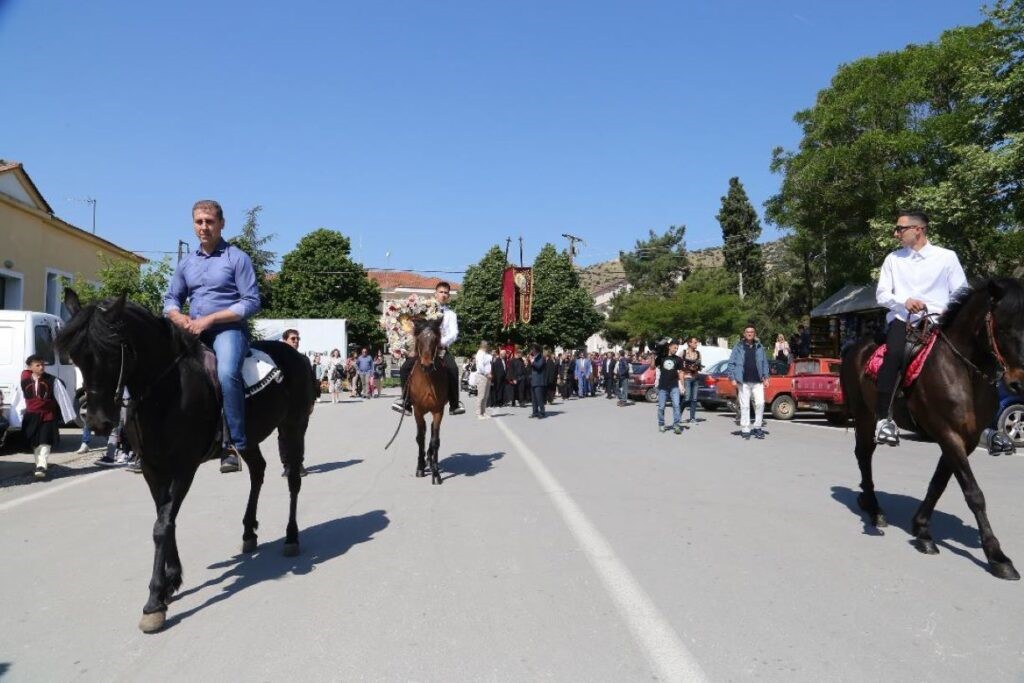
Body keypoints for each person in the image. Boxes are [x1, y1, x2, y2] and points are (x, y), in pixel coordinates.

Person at [164, 199, 261, 473]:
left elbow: (251, 302)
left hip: (228, 330)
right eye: (199, 222)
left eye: (209, 221)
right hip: (192, 330)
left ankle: (233, 444)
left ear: (221, 224)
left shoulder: (237, 258)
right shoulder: (186, 263)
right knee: (156, 367)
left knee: (227, 373)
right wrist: (177, 316)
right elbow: (171, 298)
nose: (204, 227)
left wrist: (211, 319)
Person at [873, 210, 968, 446]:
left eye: (900, 229)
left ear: (918, 230)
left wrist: (944, 312)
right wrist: (903, 302)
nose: (896, 234)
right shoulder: (893, 260)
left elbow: (962, 293)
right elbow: (882, 294)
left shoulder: (946, 257)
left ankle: (988, 422)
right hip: (904, 320)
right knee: (893, 355)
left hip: (940, 321)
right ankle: (883, 419)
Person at [392, 281, 465, 415]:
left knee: (453, 369)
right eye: (441, 292)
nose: (443, 295)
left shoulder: (451, 315)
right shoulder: (424, 309)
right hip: (424, 349)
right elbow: (416, 328)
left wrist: (440, 342)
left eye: (446, 293)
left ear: (448, 296)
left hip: (441, 349)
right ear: (435, 293)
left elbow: (454, 333)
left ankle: (454, 404)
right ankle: (405, 401)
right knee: (405, 368)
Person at [10, 355, 76, 478]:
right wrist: (15, 417)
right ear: (30, 367)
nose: (41, 367)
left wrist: (68, 415)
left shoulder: (52, 380)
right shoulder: (24, 382)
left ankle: (42, 465)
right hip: (31, 416)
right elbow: (19, 400)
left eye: (42, 365)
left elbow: (62, 397)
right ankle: (38, 465)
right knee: (35, 442)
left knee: (45, 441)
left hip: (47, 415)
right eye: (38, 365)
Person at [727, 324, 771, 439]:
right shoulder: (738, 347)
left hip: (758, 381)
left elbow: (764, 363)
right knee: (745, 405)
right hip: (743, 381)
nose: (750, 333)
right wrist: (732, 378)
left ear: (754, 334)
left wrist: (766, 377)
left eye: (752, 332)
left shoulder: (759, 347)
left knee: (760, 403)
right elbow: (731, 363)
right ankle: (745, 428)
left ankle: (757, 427)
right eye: (747, 332)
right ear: (744, 334)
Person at [651, 341, 684, 434]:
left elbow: (681, 372)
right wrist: (653, 356)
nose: (676, 350)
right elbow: (652, 367)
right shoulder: (661, 357)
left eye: (677, 348)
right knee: (661, 407)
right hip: (663, 386)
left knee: (676, 406)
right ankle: (661, 424)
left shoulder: (678, 359)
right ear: (669, 347)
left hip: (674, 386)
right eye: (674, 348)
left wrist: (683, 385)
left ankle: (676, 425)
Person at [680, 336, 703, 424]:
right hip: (687, 377)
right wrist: (681, 380)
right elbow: (679, 366)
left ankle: (692, 418)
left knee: (694, 399)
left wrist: (697, 366)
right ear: (689, 343)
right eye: (694, 342)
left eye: (696, 342)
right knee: (687, 398)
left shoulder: (698, 353)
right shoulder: (684, 353)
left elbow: (700, 366)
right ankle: (678, 414)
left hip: (696, 377)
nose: (696, 344)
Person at [474, 341, 493, 419]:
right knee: (481, 396)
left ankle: (483, 412)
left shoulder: (486, 354)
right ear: (484, 346)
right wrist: (486, 373)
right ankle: (479, 413)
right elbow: (481, 366)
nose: (488, 347)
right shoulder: (480, 354)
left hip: (487, 376)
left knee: (486, 396)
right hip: (482, 375)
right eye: (487, 345)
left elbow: (490, 360)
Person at [528, 345, 547, 418]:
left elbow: (539, 366)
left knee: (539, 398)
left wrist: (532, 362)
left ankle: (542, 412)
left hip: (539, 380)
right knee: (534, 398)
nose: (532, 351)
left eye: (533, 350)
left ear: (536, 350)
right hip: (533, 380)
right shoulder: (534, 358)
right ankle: (535, 412)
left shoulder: (541, 357)